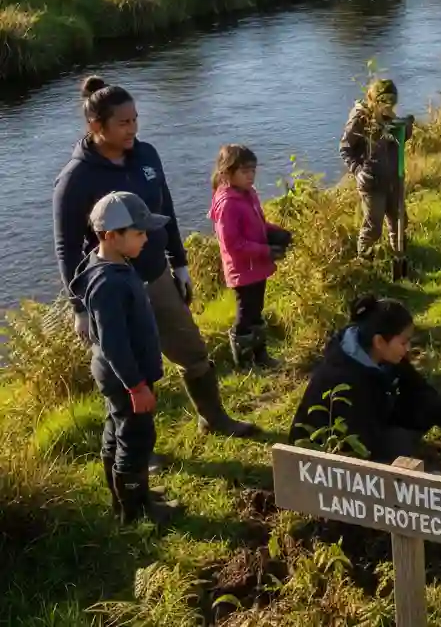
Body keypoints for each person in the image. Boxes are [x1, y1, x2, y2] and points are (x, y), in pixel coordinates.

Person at [54, 78, 256, 446]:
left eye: (135, 120)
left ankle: (213, 418)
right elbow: (66, 246)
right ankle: (136, 452)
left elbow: (165, 209)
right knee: (129, 370)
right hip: (115, 288)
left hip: (156, 274)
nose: (133, 129)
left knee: (193, 351)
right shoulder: (75, 179)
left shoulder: (146, 155)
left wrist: (179, 263)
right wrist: (79, 306)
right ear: (96, 126)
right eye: (123, 123)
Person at [69, 191, 180, 524]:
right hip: (125, 376)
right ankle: (136, 510)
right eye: (139, 233)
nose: (147, 238)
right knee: (136, 437)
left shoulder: (109, 262)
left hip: (115, 374)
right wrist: (136, 386)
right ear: (109, 236)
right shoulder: (109, 284)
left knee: (116, 430)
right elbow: (115, 344)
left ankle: (126, 496)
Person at [289, 295, 441, 462]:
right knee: (400, 444)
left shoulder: (382, 355)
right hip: (323, 454)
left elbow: (419, 389)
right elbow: (360, 446)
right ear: (379, 341)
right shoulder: (345, 381)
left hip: (371, 422)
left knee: (423, 406)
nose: (408, 348)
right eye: (403, 342)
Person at [209, 145, 292, 369]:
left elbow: (258, 225)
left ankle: (261, 356)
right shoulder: (227, 204)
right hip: (242, 270)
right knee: (245, 316)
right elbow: (233, 245)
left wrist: (275, 232)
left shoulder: (248, 194)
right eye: (245, 171)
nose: (251, 176)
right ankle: (244, 363)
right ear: (227, 173)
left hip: (257, 266)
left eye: (253, 170)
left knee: (256, 312)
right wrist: (267, 251)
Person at [340, 79, 412, 258]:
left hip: (394, 179)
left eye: (393, 102)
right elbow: (345, 149)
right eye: (385, 101)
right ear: (375, 100)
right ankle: (365, 266)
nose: (389, 106)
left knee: (399, 222)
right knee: (373, 228)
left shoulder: (391, 118)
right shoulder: (360, 120)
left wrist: (404, 125)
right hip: (372, 182)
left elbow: (403, 138)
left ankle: (399, 260)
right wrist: (358, 170)